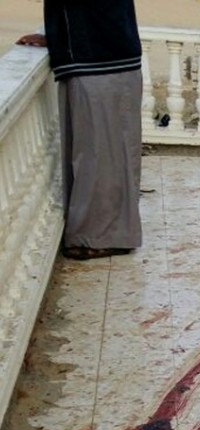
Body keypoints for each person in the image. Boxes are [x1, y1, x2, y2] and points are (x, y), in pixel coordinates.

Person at [16, 0, 144, 261]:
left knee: (102, 157)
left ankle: (106, 237)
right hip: (95, 58)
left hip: (103, 61)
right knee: (94, 155)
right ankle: (97, 234)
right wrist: (56, 37)